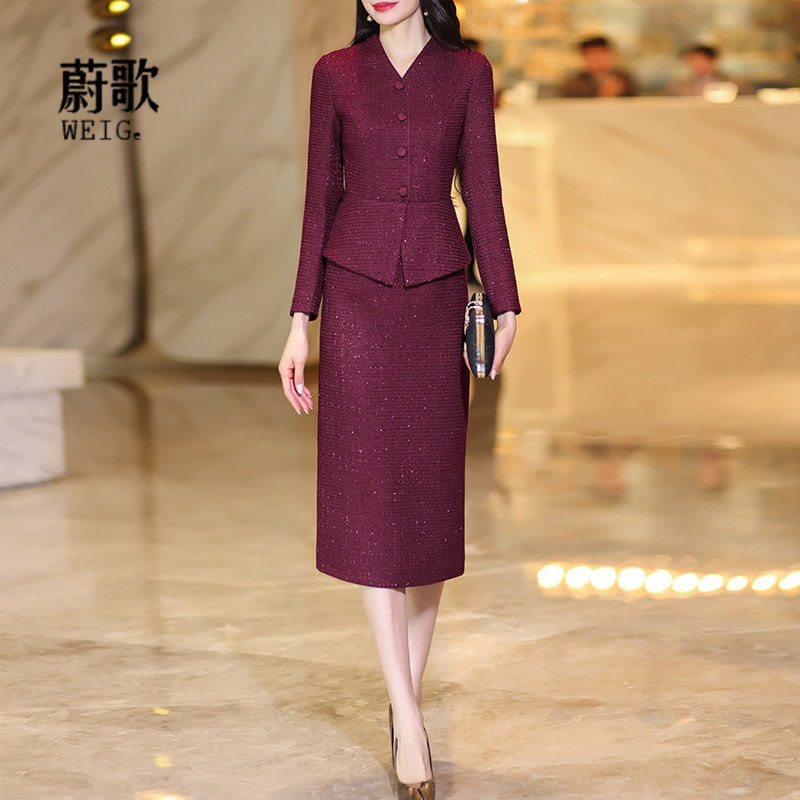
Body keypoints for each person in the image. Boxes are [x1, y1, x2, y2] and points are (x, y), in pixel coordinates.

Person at [278, 1, 521, 798]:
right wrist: (300, 322)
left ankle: (402, 703)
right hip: (354, 297)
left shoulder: (468, 72)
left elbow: (482, 189)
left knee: (426, 500)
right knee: (371, 499)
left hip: (439, 296)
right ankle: (411, 721)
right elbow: (319, 197)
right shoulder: (335, 74)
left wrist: (506, 300)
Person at [559, 35, 638, 98]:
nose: (597, 59)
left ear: (611, 55)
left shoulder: (625, 78)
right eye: (592, 55)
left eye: (601, 54)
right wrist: (603, 94)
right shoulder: (573, 84)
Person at [666, 44, 754, 97]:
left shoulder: (736, 83)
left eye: (701, 59)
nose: (697, 64)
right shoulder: (679, 86)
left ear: (713, 60)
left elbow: (750, 104)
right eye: (692, 60)